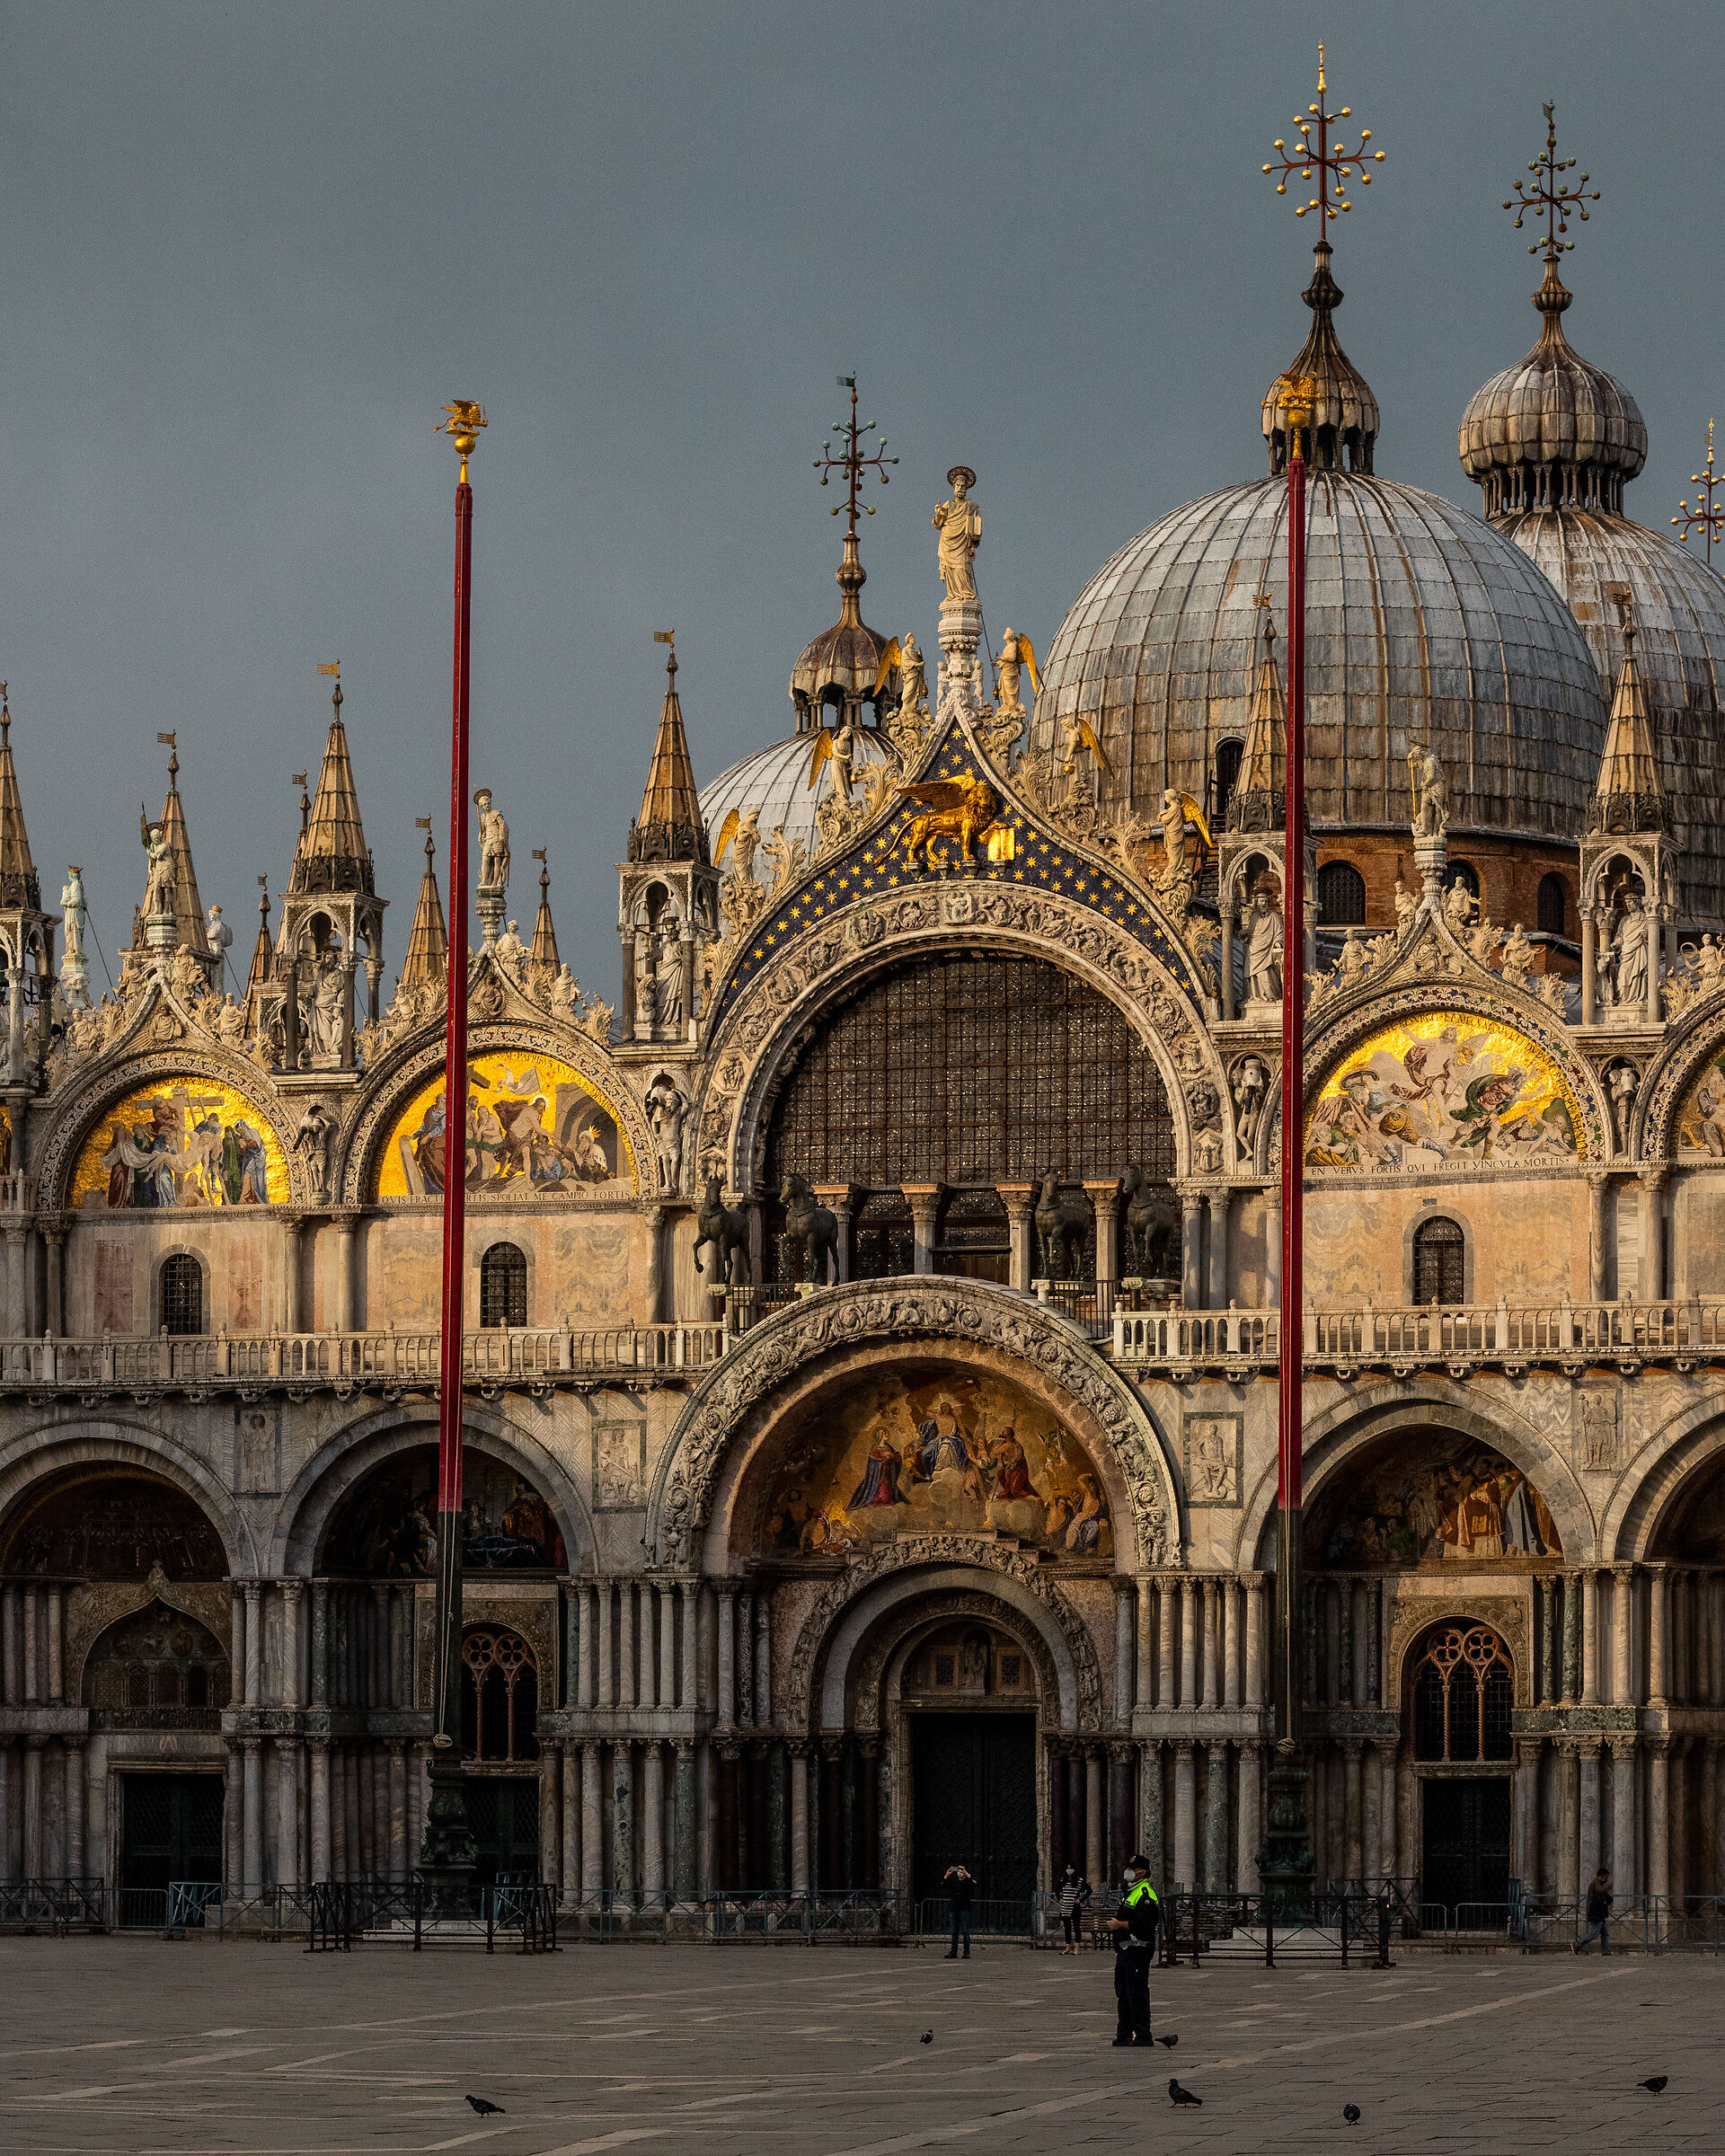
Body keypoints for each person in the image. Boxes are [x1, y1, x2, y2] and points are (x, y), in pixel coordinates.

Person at [1104, 1853, 1161, 2046]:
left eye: (1131, 1868)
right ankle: (1124, 2034)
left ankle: (1143, 2034)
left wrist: (1120, 1924)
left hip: (1138, 1949)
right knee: (1123, 1992)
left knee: (1136, 1992)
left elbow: (1145, 1923)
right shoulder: (1131, 1891)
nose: (1126, 1871)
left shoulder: (1145, 1893)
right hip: (1126, 1950)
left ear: (1141, 1872)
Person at [1573, 1868, 1613, 1955]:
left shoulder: (1600, 1884)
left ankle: (1605, 1951)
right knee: (1594, 1934)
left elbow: (1607, 1897)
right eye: (1605, 1877)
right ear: (1601, 1876)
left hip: (1601, 1913)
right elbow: (1600, 1890)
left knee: (1605, 1933)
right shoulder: (1596, 1883)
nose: (1606, 1879)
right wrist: (1608, 1886)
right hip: (1596, 1912)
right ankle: (1577, 1944)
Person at [943, 1862, 975, 1960]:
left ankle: (966, 1952)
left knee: (965, 1931)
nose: (960, 1872)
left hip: (964, 1910)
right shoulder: (953, 1882)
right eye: (959, 1871)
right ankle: (953, 1952)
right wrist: (947, 1875)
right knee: (954, 1932)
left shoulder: (967, 1882)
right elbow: (943, 1885)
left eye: (961, 1871)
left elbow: (974, 1883)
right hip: (954, 1909)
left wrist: (966, 1873)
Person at [1057, 1865, 1089, 1955]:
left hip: (1075, 1908)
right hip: (1065, 1907)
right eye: (1068, 1868)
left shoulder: (1079, 1881)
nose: (1069, 1870)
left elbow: (1089, 1890)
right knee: (1067, 1928)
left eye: (1071, 1868)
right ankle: (1068, 1948)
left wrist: (1080, 1900)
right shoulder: (1063, 1881)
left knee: (1076, 1927)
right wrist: (1060, 1898)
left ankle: (1077, 1949)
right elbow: (1057, 1890)